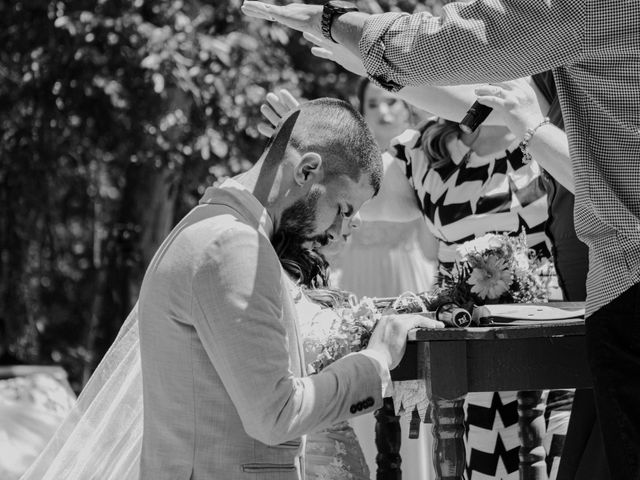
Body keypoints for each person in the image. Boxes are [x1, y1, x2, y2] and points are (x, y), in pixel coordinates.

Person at [242, 3, 640, 477]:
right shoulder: (427, 155)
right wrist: (309, 143)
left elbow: (469, 61)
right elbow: (365, 188)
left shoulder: (529, 122)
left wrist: (355, 38)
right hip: (475, 352)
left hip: (553, 338)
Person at [21, 98, 444, 480]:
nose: (337, 230)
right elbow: (276, 414)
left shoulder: (210, 224)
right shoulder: (235, 245)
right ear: (307, 170)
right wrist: (377, 359)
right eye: (341, 208)